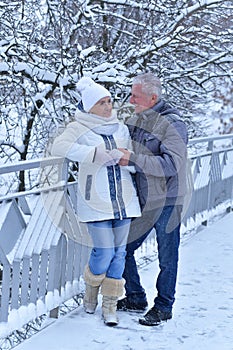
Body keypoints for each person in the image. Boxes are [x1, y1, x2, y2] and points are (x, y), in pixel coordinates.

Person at [51, 77, 141, 326]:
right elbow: (59, 147)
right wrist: (94, 154)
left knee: (120, 253)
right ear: (89, 106)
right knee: (104, 251)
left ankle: (109, 305)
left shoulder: (120, 127)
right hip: (95, 201)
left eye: (109, 101)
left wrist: (127, 159)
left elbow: (132, 154)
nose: (108, 106)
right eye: (101, 102)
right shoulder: (78, 128)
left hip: (124, 198)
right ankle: (91, 289)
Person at [117, 72, 188, 326]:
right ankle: (136, 297)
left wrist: (133, 159)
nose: (130, 99)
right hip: (144, 200)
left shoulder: (172, 124)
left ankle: (164, 307)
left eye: (135, 95)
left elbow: (172, 164)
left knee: (167, 257)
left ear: (153, 97)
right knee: (122, 249)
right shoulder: (138, 120)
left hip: (168, 200)